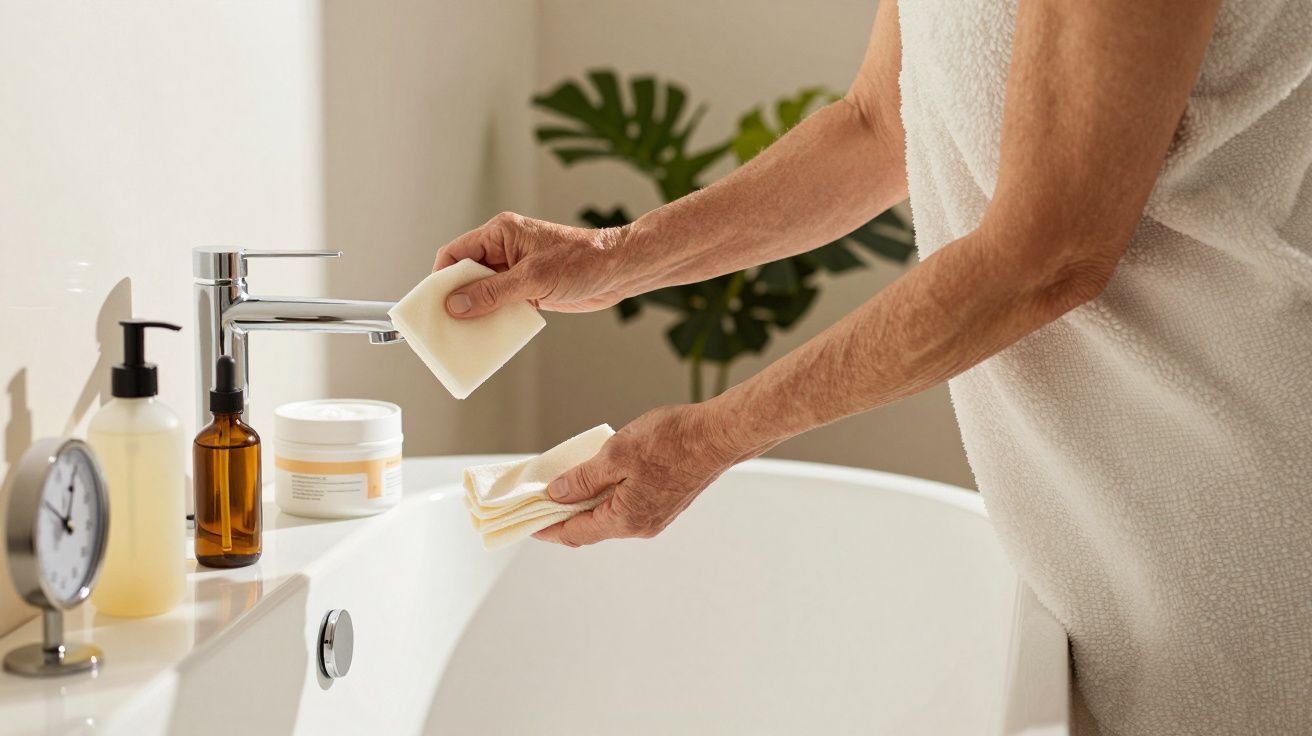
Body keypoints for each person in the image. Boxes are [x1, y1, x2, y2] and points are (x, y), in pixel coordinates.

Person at [433, 1, 1312, 733]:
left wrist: (711, 437)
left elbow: (1045, 255)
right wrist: (611, 256)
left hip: (1236, 525)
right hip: (1090, 542)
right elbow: (878, 123)